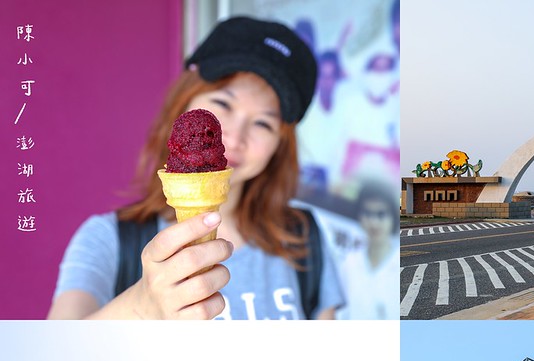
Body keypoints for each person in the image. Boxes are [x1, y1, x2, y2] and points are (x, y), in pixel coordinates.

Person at [48, 17, 344, 320]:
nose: (235, 137)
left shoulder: (304, 239)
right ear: (184, 102)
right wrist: (141, 306)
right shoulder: (108, 238)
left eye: (263, 123)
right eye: (223, 103)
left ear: (280, 146)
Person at [337, 181, 399, 319]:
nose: (374, 222)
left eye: (381, 214)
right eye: (368, 213)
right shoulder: (349, 263)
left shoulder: (397, 263)